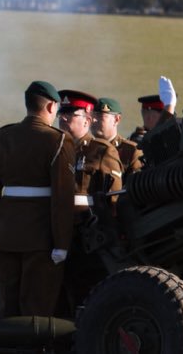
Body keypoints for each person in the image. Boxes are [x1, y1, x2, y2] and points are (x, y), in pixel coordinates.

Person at [0, 80, 77, 318]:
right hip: (42, 240)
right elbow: (63, 197)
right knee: (37, 311)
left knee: (7, 309)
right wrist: (62, 243)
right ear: (51, 106)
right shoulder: (58, 140)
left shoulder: (2, 136)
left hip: (6, 236)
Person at [56, 90, 124, 316]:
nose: (63, 118)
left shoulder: (101, 151)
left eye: (70, 114)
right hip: (58, 237)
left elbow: (114, 201)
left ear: (87, 120)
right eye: (61, 113)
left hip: (88, 244)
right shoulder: (54, 150)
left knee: (86, 300)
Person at [93, 97, 142, 176]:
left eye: (100, 116)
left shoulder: (131, 151)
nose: (94, 120)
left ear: (116, 119)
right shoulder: (84, 148)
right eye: (92, 115)